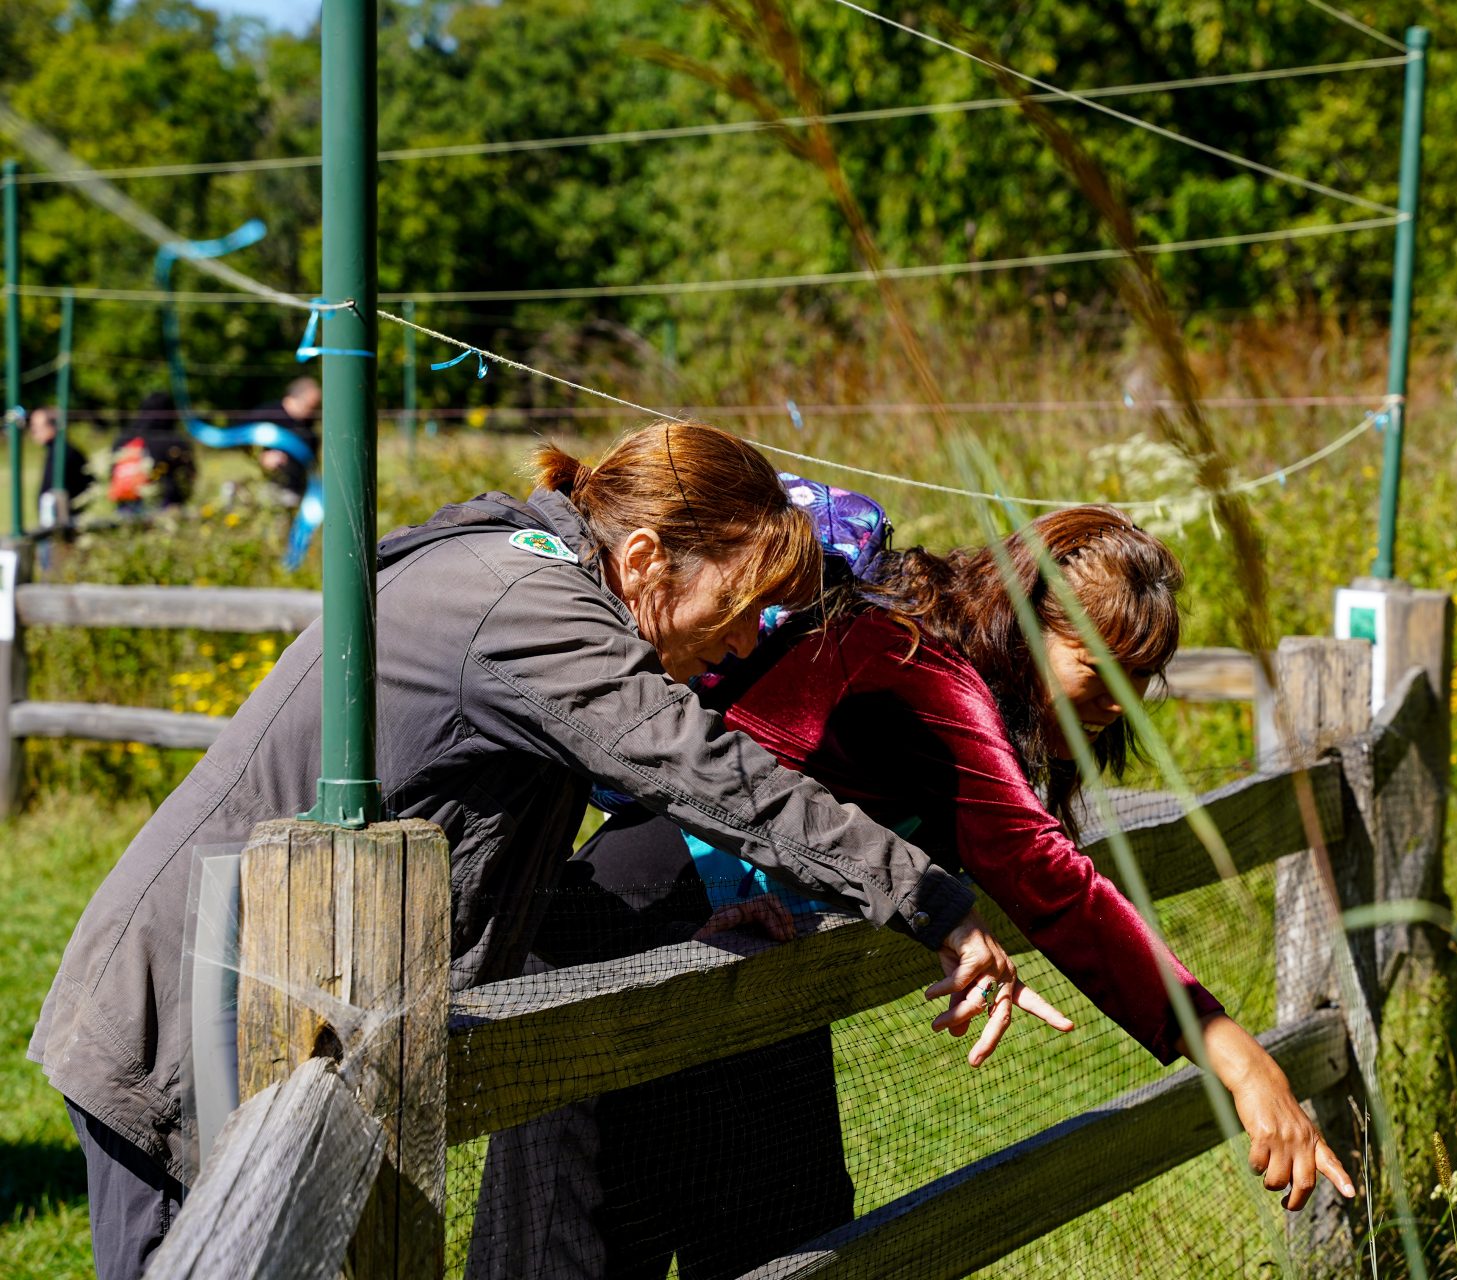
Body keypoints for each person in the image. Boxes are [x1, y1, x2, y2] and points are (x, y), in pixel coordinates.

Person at [29, 423, 1058, 1280]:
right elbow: (696, 762)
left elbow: (584, 814)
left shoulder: (532, 582)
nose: (745, 642)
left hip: (286, 988)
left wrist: (696, 899)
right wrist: (932, 901)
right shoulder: (525, 602)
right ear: (648, 555)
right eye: (735, 608)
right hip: (192, 1005)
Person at [469, 504, 1354, 1280]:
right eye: (1100, 672)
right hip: (642, 914)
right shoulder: (925, 669)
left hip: (746, 929)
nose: (1119, 706)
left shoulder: (933, 657)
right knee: (581, 1246)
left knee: (783, 1240)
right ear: (1029, 621)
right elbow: (1043, 869)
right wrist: (1237, 1055)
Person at [108, 393, 196, 510]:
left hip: (125, 508)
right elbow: (189, 475)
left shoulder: (121, 440)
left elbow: (111, 474)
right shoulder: (173, 441)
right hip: (165, 511)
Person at [245, 376, 321, 504]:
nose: (312, 413)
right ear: (293, 399)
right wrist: (262, 456)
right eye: (310, 406)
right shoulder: (267, 414)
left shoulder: (308, 423)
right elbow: (237, 438)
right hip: (267, 485)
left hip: (299, 488)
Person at [27, 405, 92, 524]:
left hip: (63, 520)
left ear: (53, 426)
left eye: (37, 427)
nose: (33, 431)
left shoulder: (62, 452)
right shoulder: (56, 450)